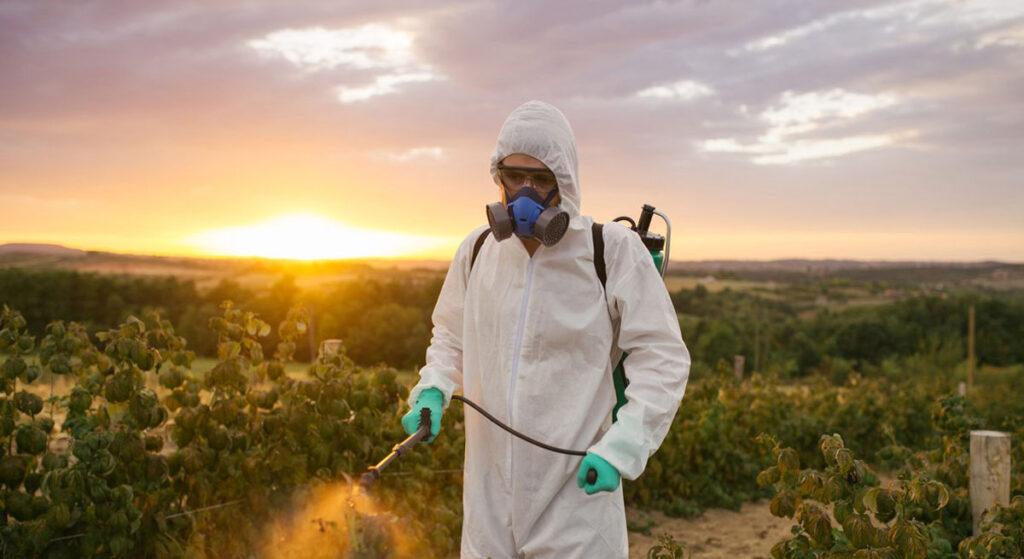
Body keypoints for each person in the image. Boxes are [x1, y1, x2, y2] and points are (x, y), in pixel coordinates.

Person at [401, 100, 690, 558]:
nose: (526, 193)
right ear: (499, 178)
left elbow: (663, 359)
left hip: (576, 502)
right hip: (489, 504)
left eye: (541, 179)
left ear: (565, 182)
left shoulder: (608, 252)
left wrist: (622, 447)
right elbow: (450, 339)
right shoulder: (477, 251)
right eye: (515, 177)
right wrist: (433, 389)